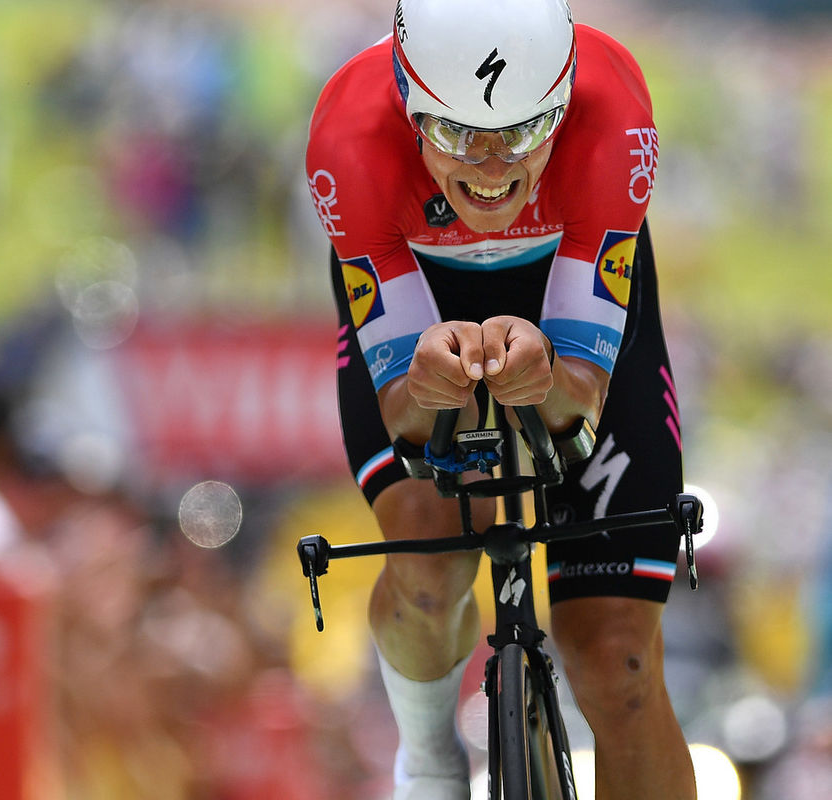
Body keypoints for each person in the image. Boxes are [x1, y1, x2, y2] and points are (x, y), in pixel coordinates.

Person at [304, 1, 691, 798]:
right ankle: (431, 760)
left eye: (522, 131)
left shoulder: (613, 111)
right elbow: (405, 419)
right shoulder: (348, 138)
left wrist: (547, 365)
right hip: (423, 301)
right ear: (408, 103)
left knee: (616, 662)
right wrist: (427, 381)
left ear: (565, 95)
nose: (491, 167)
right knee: (429, 556)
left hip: (563, 292)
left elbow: (577, 403)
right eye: (454, 135)